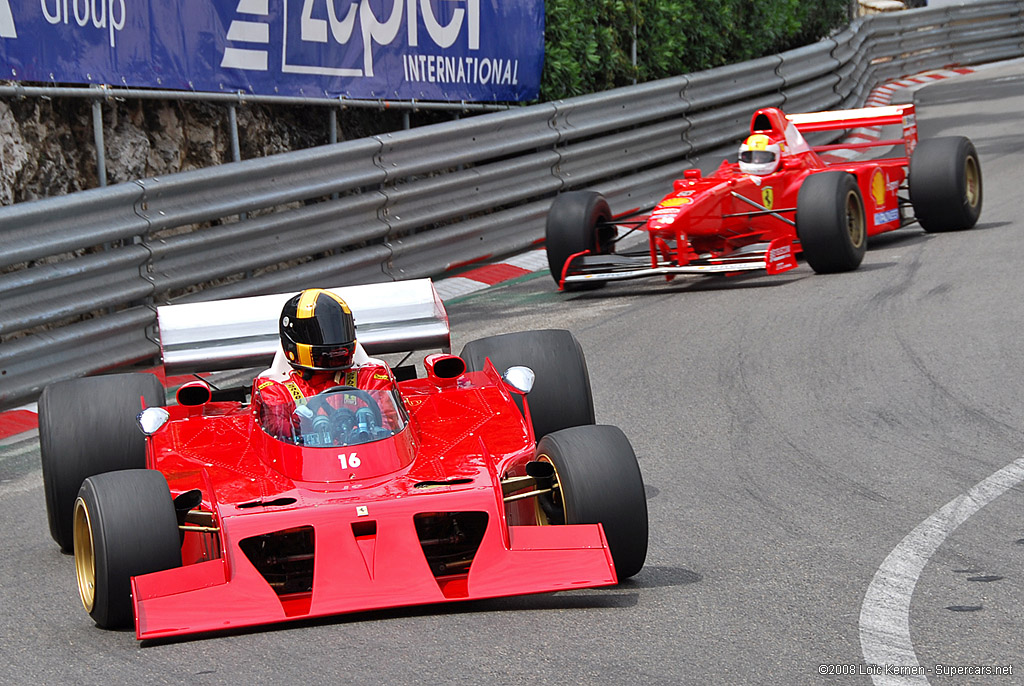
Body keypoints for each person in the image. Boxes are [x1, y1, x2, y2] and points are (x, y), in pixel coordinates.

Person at [252, 288, 397, 442]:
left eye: (337, 330)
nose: (333, 340)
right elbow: (279, 436)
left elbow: (389, 424)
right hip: (308, 463)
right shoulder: (275, 389)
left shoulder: (370, 377)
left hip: (371, 459)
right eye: (323, 332)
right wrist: (304, 423)